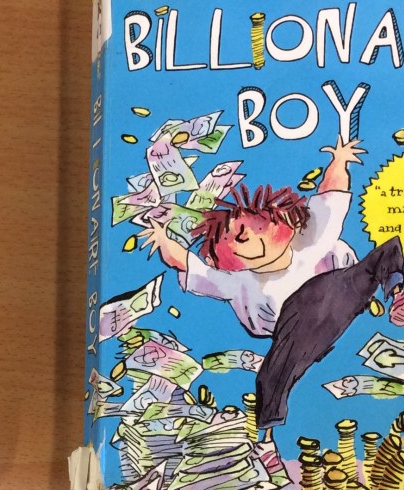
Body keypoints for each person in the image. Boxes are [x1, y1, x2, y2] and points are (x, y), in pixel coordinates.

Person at [140, 136, 365, 338]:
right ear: (221, 260)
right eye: (234, 238)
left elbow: (330, 195)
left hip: (343, 290)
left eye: (258, 227)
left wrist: (340, 159)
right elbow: (186, 263)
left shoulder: (312, 240)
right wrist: (161, 237)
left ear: (287, 223)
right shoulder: (239, 283)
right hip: (289, 329)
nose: (248, 237)